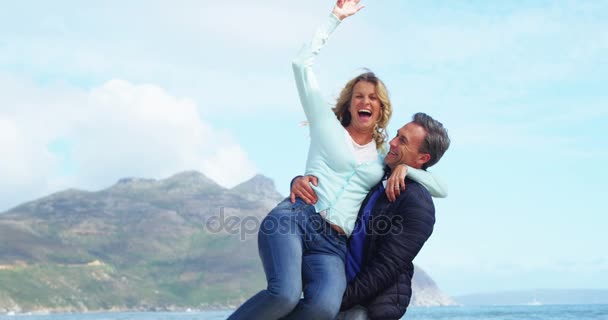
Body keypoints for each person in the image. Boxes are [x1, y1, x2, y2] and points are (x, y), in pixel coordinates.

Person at [227, 1, 445, 319]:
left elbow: (440, 187)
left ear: (380, 109)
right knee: (284, 295)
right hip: (296, 218)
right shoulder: (325, 124)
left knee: (324, 308)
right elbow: (301, 65)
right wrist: (334, 20)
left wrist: (406, 167)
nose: (365, 100)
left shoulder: (384, 156)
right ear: (350, 102)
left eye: (372, 97)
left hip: (333, 244)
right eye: (359, 95)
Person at [291, 112, 451, 320]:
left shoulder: (417, 202)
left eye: (402, 141)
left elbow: (385, 269)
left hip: (368, 307)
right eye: (396, 135)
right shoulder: (375, 176)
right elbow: (331, 183)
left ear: (423, 158)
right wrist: (298, 181)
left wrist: (337, 300)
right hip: (335, 291)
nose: (392, 142)